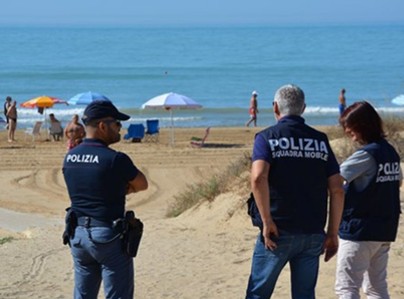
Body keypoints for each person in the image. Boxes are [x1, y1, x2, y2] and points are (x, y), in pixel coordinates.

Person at [245, 84, 344, 299]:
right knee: (305, 294)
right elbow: (337, 189)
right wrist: (333, 233)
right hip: (312, 230)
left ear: (275, 107)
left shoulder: (267, 137)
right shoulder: (320, 140)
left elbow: (258, 177)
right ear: (304, 108)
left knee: (258, 293)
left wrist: (266, 220)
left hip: (277, 229)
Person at [62, 100, 148, 299]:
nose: (120, 128)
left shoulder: (70, 157)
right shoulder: (115, 159)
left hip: (78, 234)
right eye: (117, 124)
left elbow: (83, 188)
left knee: (83, 295)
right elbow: (142, 184)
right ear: (102, 126)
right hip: (107, 234)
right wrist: (118, 190)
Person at [335, 101, 402, 298]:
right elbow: (396, 183)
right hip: (385, 229)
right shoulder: (390, 152)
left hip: (360, 229)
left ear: (363, 125)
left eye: (350, 127)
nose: (348, 132)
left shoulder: (365, 155)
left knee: (346, 287)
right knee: (376, 287)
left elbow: (335, 181)